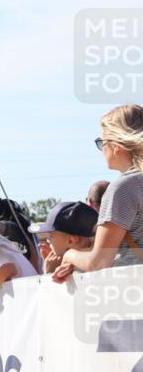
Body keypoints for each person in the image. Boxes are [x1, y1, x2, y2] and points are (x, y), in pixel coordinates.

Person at [55, 104, 143, 281]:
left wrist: (70, 255)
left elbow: (99, 261)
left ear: (116, 146)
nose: (102, 149)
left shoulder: (124, 188)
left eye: (102, 142)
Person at [29, 201, 97, 275]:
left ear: (71, 241)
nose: (48, 240)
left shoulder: (77, 270)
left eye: (51, 236)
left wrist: (49, 272)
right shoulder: (103, 260)